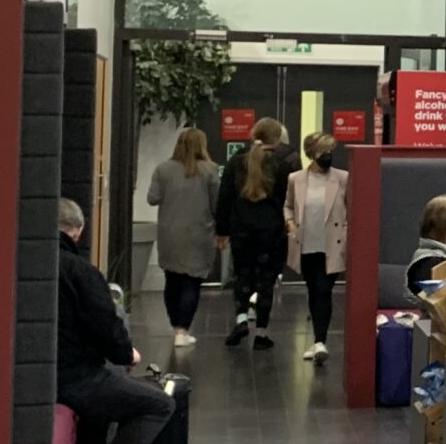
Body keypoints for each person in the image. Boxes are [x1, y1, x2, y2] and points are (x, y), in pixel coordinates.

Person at [54, 198, 171, 444]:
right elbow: (107, 327)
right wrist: (125, 354)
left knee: (108, 393)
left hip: (42, 378)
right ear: (77, 232)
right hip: (74, 376)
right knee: (158, 404)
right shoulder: (79, 272)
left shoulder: (22, 263)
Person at [214, 118, 289, 349]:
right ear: (277, 139)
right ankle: (261, 333)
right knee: (266, 281)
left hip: (241, 229)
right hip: (271, 230)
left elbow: (224, 198)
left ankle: (241, 319)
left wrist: (222, 230)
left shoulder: (235, 162)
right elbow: (287, 200)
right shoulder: (282, 165)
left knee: (242, 275)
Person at [145, 126, 219, 348]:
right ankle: (183, 330)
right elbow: (216, 204)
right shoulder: (210, 170)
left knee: (172, 280)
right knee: (191, 282)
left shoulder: (163, 169)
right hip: (199, 233)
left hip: (169, 233)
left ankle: (175, 324)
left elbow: (152, 198)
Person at [286, 132, 350, 363]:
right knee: (314, 290)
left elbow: (351, 207)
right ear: (312, 153)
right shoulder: (296, 179)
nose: (328, 156)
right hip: (306, 244)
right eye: (324, 151)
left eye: (331, 151)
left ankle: (320, 341)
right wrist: (290, 223)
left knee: (324, 289)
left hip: (332, 244)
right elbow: (289, 206)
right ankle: (317, 340)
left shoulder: (343, 178)